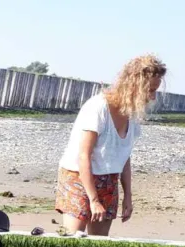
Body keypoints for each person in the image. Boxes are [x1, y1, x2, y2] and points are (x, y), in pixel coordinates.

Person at [55, 54, 166, 236]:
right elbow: (83, 156)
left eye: (155, 91)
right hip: (78, 178)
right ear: (133, 85)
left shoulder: (132, 114)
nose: (153, 97)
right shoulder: (98, 108)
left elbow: (124, 157)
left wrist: (128, 197)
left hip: (109, 179)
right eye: (150, 90)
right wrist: (93, 199)